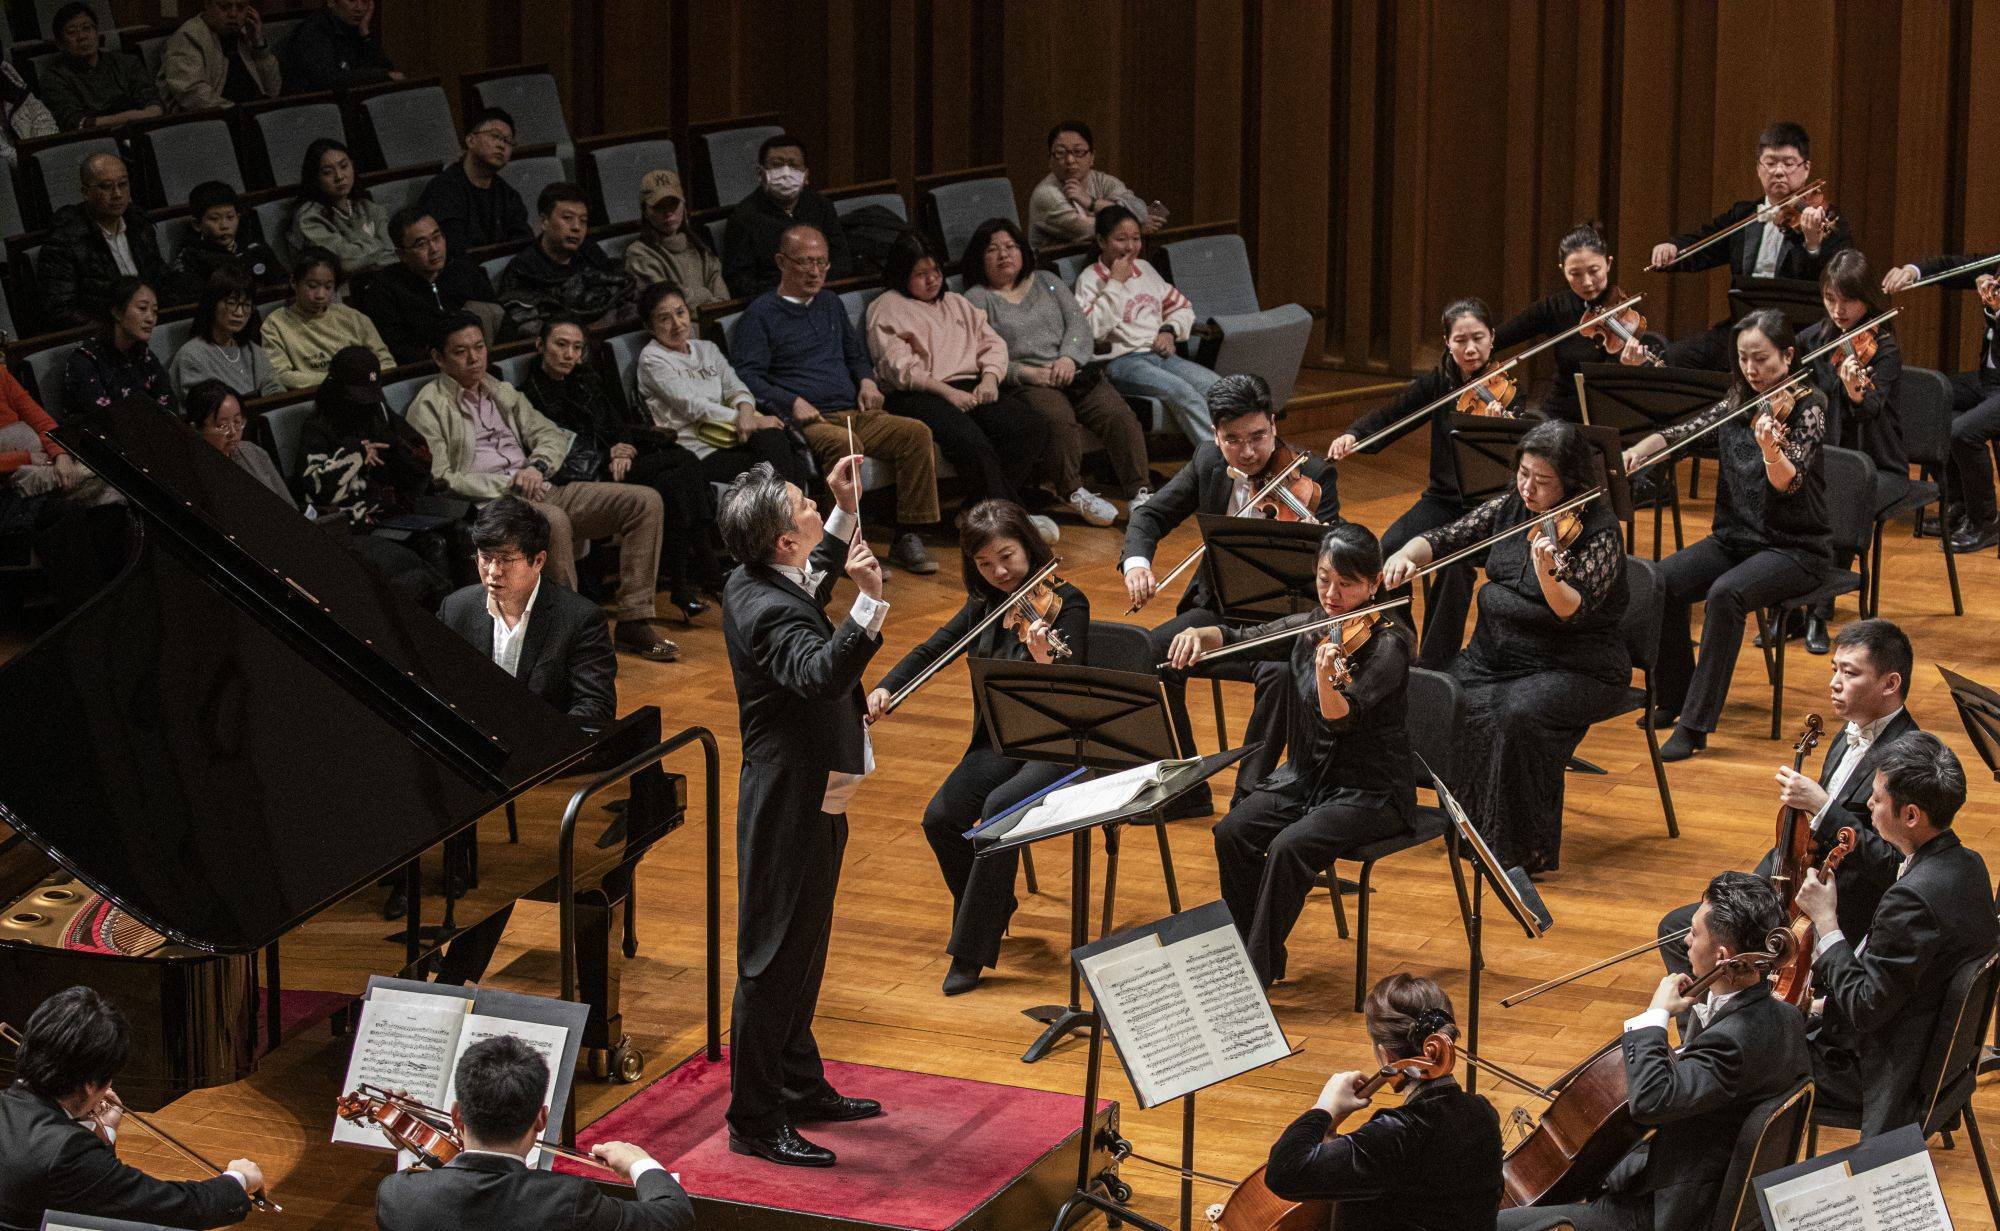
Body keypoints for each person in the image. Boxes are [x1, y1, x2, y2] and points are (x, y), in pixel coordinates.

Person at [717, 455, 886, 1168]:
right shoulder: (765, 609)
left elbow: (810, 578)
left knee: (805, 944)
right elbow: (818, 673)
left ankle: (797, 1082)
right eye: (806, 504)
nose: (815, 502)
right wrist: (868, 603)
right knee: (771, 958)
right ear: (784, 539)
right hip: (786, 798)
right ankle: (755, 1119)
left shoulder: (760, 576)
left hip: (815, 785)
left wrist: (843, 509)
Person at [1169, 522, 1414, 985]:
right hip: (1305, 776)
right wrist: (1204, 635)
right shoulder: (1313, 626)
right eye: (1324, 579)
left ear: (1375, 583)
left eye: (1347, 583)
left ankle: (1253, 973)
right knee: (1233, 832)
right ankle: (1256, 952)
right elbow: (1246, 636)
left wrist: (1325, 680)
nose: (1332, 594)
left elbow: (1341, 719)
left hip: (1368, 791)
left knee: (1288, 847)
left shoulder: (1389, 644)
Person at [1497, 873, 1811, 1231]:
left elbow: (1650, 1100)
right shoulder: (1786, 1017)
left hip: (1670, 1212)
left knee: (1498, 1224)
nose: (1685, 939)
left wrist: (1655, 1015)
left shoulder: (1732, 1042)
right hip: (1699, 1175)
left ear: (1722, 957)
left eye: (1695, 933)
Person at [1382, 420, 1626, 874]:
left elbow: (1570, 610)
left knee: (1514, 716)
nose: (1528, 488)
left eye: (1543, 480)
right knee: (1441, 695)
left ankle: (1517, 849)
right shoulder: (1512, 507)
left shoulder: (1600, 531)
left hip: (1574, 666)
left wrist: (1549, 573)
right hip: (1495, 658)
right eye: (1523, 473)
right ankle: (1464, 827)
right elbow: (1449, 536)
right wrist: (1406, 555)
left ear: (1572, 481)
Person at [867, 500, 1089, 995]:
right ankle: (990, 905)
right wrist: (887, 686)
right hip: (1000, 741)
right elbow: (933, 649)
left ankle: (970, 950)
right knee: (940, 818)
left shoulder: (1068, 602)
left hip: (1056, 745)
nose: (1000, 572)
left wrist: (1044, 659)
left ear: (1028, 545)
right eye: (985, 564)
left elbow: (1073, 684)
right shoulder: (985, 605)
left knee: (997, 811)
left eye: (1007, 557)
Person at [1654, 618, 1920, 977]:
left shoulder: (1908, 758)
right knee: (1682, 929)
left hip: (1835, 909)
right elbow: (1804, 841)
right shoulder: (1848, 731)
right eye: (1834, 669)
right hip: (1794, 887)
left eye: (1850, 673)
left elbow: (1894, 865)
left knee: (1688, 936)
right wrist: (1751, 890)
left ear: (1890, 683)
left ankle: (1736, 1008)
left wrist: (1822, 805)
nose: (1834, 683)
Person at [406, 312, 677, 662]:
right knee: (553, 521)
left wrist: (536, 466)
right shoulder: (429, 405)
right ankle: (571, 637)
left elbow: (550, 434)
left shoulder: (499, 390)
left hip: (539, 487)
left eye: (479, 348)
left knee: (643, 501)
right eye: (460, 351)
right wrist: (509, 482)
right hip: (494, 503)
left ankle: (633, 620)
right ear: (439, 358)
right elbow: (442, 476)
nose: (474, 358)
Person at [1622, 309, 1831, 761]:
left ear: (1788, 355)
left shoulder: (1810, 405)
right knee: (1660, 582)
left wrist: (1771, 450)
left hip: (1795, 547)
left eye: (1761, 359)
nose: (1751, 369)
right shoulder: (1739, 399)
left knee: (1725, 594)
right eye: (1743, 359)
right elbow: (1691, 430)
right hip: (1736, 538)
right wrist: (1642, 449)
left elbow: (1789, 482)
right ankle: (1675, 694)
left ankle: (1695, 726)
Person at [1123, 374, 1339, 810]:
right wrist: (1138, 564)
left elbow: (1340, 555)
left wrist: (1321, 536)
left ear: (1274, 425)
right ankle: (1184, 790)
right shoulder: (1208, 461)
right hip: (1216, 612)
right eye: (1233, 440)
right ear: (1216, 435)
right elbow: (1150, 515)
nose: (1248, 452)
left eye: (1258, 436)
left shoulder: (1313, 475)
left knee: (1280, 676)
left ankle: (1247, 799)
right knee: (1147, 658)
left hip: (1283, 622)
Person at [1797, 731, 1998, 1138]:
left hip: (1880, 1073)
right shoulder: (1970, 864)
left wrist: (1826, 921)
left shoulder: (1912, 900)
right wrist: (1822, 1005)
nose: (1868, 805)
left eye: (1876, 798)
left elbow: (1865, 1008)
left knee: (1747, 1059)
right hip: (1933, 1056)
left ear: (1911, 816)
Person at [731, 225, 945, 573]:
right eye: (805, 262)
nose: (815, 271)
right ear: (781, 262)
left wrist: (867, 381)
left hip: (852, 409)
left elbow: (854, 354)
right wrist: (790, 400)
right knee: (847, 446)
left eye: (822, 263)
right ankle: (841, 547)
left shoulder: (830, 303)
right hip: (808, 420)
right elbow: (747, 376)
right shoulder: (761, 314)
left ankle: (908, 534)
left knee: (915, 433)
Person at [1326, 298, 1502, 670]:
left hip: (1487, 509)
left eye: (1478, 338)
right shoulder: (1440, 382)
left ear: (1492, 338)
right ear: (1447, 342)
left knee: (1455, 566)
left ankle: (1435, 666)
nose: (1470, 348)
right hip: (1442, 500)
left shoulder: (1510, 393)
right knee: (1389, 550)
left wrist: (1504, 426)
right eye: (1460, 340)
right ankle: (1401, 646)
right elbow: (1395, 413)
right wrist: (1355, 434)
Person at [0, 987, 265, 1230]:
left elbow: (87, 1191)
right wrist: (237, 1179)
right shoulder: (67, 1151)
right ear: (90, 1085)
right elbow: (170, 1207)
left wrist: (105, 1133)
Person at [522, 310, 721, 625]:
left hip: (617, 462)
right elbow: (561, 448)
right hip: (586, 473)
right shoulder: (529, 394)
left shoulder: (585, 378)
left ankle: (686, 582)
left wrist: (624, 447)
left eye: (576, 347)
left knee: (679, 471)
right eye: (561, 345)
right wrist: (608, 455)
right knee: (679, 466)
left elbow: (619, 422)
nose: (569, 354)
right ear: (540, 345)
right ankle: (703, 573)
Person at [375, 1035, 689, 1231]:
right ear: (541, 1119)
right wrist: (640, 1163)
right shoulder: (567, 1202)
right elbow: (674, 1217)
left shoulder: (396, 1196)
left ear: (457, 1116)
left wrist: (409, 1143)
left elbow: (447, 1197)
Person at [1263, 974, 1500, 1228]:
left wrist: (1324, 1108)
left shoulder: (1396, 1135)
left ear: (1385, 1054)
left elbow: (1284, 1171)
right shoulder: (1483, 1113)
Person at [962, 216, 1149, 525]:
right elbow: (980, 355)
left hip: (1072, 370)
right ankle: (1073, 491)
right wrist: (1028, 373)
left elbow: (1078, 324)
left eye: (1010, 246)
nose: (1004, 254)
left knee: (1118, 415)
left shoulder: (1047, 280)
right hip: (1028, 380)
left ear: (1023, 250)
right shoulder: (975, 299)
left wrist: (1069, 358)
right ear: (979, 258)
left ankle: (1140, 492)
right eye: (993, 249)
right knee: (1058, 419)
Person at [867, 231, 1056, 536]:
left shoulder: (956, 302)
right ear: (902, 276)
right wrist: (947, 393)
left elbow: (992, 344)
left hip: (970, 383)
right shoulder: (886, 306)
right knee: (971, 440)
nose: (932, 280)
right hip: (919, 392)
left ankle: (976, 511)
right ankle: (1010, 519)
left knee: (1030, 426)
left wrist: (991, 378)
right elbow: (898, 367)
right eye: (920, 274)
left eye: (935, 271)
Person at [1651, 121, 1851, 372]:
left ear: (1806, 169)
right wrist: (1673, 247)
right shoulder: (1744, 215)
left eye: (1789, 163)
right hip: (1743, 329)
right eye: (1770, 163)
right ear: (1758, 168)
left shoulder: (1828, 221)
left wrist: (1812, 244)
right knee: (1673, 357)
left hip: (1795, 337)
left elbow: (1840, 279)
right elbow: (1705, 243)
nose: (1779, 171)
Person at [1792, 250, 1903, 651]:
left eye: (1848, 301)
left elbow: (1871, 412)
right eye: (1830, 299)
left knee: (1838, 501)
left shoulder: (1884, 349)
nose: (1838, 310)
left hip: (1872, 460)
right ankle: (1789, 609)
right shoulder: (1812, 340)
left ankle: (1818, 614)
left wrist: (1856, 393)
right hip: (1822, 454)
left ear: (1867, 298)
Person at [296, 344, 460, 607]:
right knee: (429, 552)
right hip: (358, 523)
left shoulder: (378, 411)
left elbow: (420, 462)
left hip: (399, 509)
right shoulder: (318, 427)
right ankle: (446, 613)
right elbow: (315, 488)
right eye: (357, 397)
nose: (363, 405)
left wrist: (396, 449)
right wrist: (356, 455)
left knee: (463, 532)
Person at [438, 496, 616, 726]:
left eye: (505, 559)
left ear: (538, 561)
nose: (493, 571)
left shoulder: (581, 620)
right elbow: (436, 684)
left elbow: (595, 706)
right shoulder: (455, 608)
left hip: (545, 743)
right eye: (486, 558)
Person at [636, 283, 817, 496]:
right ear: (650, 327)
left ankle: (790, 511)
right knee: (777, 462)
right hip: (698, 450)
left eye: (680, 312)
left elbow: (735, 387)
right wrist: (747, 419)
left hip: (735, 435)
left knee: (776, 441)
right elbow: (692, 406)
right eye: (665, 318)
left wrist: (747, 413)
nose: (677, 324)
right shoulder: (652, 359)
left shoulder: (706, 349)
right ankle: (791, 511)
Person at [1882, 251, 2000, 550]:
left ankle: (1985, 521)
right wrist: (1912, 270)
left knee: (1962, 432)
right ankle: (1960, 501)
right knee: (1926, 404)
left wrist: (1996, 310)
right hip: (1989, 380)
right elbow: (1952, 267)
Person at [1074, 206, 1219, 448]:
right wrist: (1115, 282)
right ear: (1101, 241)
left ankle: (1249, 455)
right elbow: (1092, 330)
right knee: (1183, 393)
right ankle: (1222, 463)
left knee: (1219, 388)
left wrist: (1168, 331)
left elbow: (1182, 307)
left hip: (1161, 355)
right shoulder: (1089, 280)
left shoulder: (1145, 269)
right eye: (1121, 239)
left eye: (1136, 238)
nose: (1130, 247)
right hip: (1121, 362)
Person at [1493, 222, 1656, 422]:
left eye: (1594, 271)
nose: (1587, 282)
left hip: (1612, 416)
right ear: (1563, 270)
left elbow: (1649, 383)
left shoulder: (1629, 313)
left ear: (1608, 264)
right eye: (1575, 274)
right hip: (1559, 414)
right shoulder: (1554, 307)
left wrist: (1632, 367)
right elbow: (1496, 339)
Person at [355, 208, 503, 366]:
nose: (434, 249)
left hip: (481, 362)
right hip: (428, 370)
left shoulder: (465, 270)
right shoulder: (384, 288)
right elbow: (396, 347)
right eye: (421, 244)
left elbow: (499, 318)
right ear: (401, 255)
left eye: (437, 237)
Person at [40, 153, 166, 330]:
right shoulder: (66, 240)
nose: (117, 194)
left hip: (151, 324)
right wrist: (115, 328)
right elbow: (60, 309)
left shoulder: (140, 224)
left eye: (123, 184)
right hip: (105, 334)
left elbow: (161, 279)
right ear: (85, 193)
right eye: (106, 187)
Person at [496, 182, 636, 337]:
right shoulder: (523, 269)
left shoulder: (590, 252)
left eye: (583, 220)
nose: (576, 227)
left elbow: (621, 293)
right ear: (544, 222)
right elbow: (528, 328)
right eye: (567, 218)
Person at [721, 134, 854, 297]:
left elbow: (842, 261)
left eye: (793, 165)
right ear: (760, 174)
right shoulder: (743, 217)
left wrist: (814, 283)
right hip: (776, 299)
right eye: (777, 165)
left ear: (806, 175)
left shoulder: (821, 205)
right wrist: (793, 287)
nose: (786, 173)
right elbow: (739, 282)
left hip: (824, 292)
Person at [262, 247, 395, 390]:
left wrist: (367, 378)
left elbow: (386, 363)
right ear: (294, 282)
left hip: (365, 390)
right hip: (316, 395)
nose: (320, 295)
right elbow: (281, 376)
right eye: (312, 286)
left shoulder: (353, 317)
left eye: (328, 287)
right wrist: (339, 379)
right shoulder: (276, 324)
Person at [1028, 120, 1166, 248]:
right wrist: (1137, 228)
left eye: (1078, 152)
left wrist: (1092, 203)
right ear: (1050, 160)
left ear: (1092, 157)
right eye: (1060, 153)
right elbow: (1086, 229)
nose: (1070, 160)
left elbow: (1139, 208)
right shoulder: (1045, 194)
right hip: (1057, 264)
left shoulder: (1102, 181)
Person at [418, 107, 532, 256]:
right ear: (471, 140)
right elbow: (452, 248)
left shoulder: (509, 195)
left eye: (508, 141)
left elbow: (523, 242)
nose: (502, 145)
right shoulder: (443, 189)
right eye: (495, 136)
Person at [38, 2, 162, 132]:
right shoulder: (54, 79)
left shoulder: (126, 63)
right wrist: (127, 117)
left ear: (97, 33)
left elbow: (152, 100)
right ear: (60, 44)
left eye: (87, 28)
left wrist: (149, 113)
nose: (82, 37)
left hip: (141, 130)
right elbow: (73, 122)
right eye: (72, 32)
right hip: (93, 138)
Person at [62, 277, 174, 418]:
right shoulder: (84, 361)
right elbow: (106, 419)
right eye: (142, 308)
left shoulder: (144, 355)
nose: (151, 319)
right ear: (117, 312)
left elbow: (168, 405)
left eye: (155, 311)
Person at [169, 267, 282, 400]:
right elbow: (205, 405)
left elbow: (274, 389)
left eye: (246, 305)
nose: (239, 313)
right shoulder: (191, 356)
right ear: (212, 304)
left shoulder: (252, 350)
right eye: (231, 303)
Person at [287, 138, 396, 277]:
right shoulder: (309, 217)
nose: (339, 177)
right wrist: (378, 246)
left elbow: (393, 252)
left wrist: (364, 254)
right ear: (315, 178)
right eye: (327, 172)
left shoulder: (368, 207)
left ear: (352, 165)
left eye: (344, 166)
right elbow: (345, 262)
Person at [624, 169, 729, 309]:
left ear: (683, 205)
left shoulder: (700, 248)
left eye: (673, 203)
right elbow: (668, 305)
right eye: (659, 206)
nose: (668, 213)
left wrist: (690, 297)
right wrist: (705, 294)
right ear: (645, 212)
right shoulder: (639, 254)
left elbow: (724, 302)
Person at [165, 180, 282, 305]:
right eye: (214, 219)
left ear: (238, 217)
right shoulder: (190, 259)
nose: (224, 225)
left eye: (230, 217)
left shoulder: (256, 248)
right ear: (197, 224)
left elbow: (282, 283)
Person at [157, 0, 280, 113]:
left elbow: (273, 91)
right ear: (207, 5)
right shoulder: (187, 38)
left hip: (252, 116)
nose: (233, 14)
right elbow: (193, 95)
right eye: (224, 6)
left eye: (241, 7)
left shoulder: (247, 34)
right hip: (212, 122)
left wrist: (260, 46)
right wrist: (243, 113)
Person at [185, 379, 288, 499]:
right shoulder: (190, 472)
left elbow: (287, 503)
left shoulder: (254, 452)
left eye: (237, 422)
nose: (233, 432)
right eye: (222, 426)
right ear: (196, 429)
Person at [279, 0, 398, 94]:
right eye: (351, 0)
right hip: (311, 109)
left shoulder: (352, 28)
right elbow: (329, 79)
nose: (360, 8)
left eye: (365, 1)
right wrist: (382, 76)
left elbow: (387, 70)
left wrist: (365, 33)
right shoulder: (313, 31)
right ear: (331, 2)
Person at [0, 64, 56, 164]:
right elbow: (5, 154)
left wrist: (43, 155)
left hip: (45, 162)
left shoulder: (15, 87)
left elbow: (45, 122)